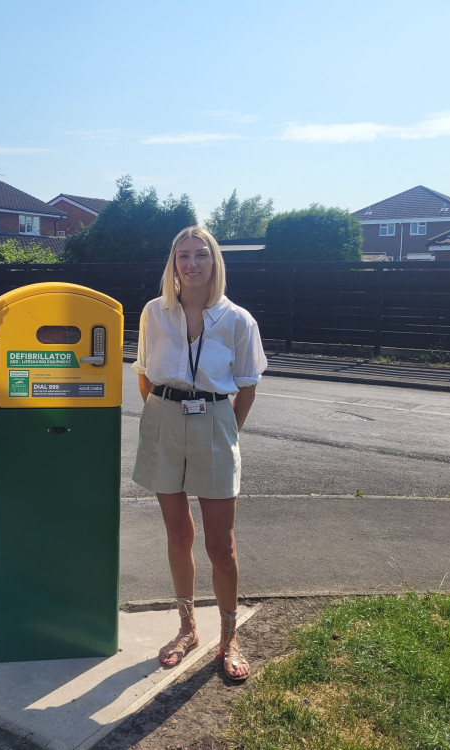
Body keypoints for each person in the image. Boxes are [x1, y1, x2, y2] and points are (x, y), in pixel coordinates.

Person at [131, 226, 267, 682]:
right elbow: (145, 374)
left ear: (215, 263)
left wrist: (226, 429)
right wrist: (161, 414)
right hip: (164, 417)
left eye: (200, 255)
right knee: (177, 533)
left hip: (214, 421)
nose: (191, 264)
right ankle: (187, 626)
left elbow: (247, 386)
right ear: (173, 263)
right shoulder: (154, 313)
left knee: (220, 544)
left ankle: (228, 636)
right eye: (183, 255)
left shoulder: (237, 320)